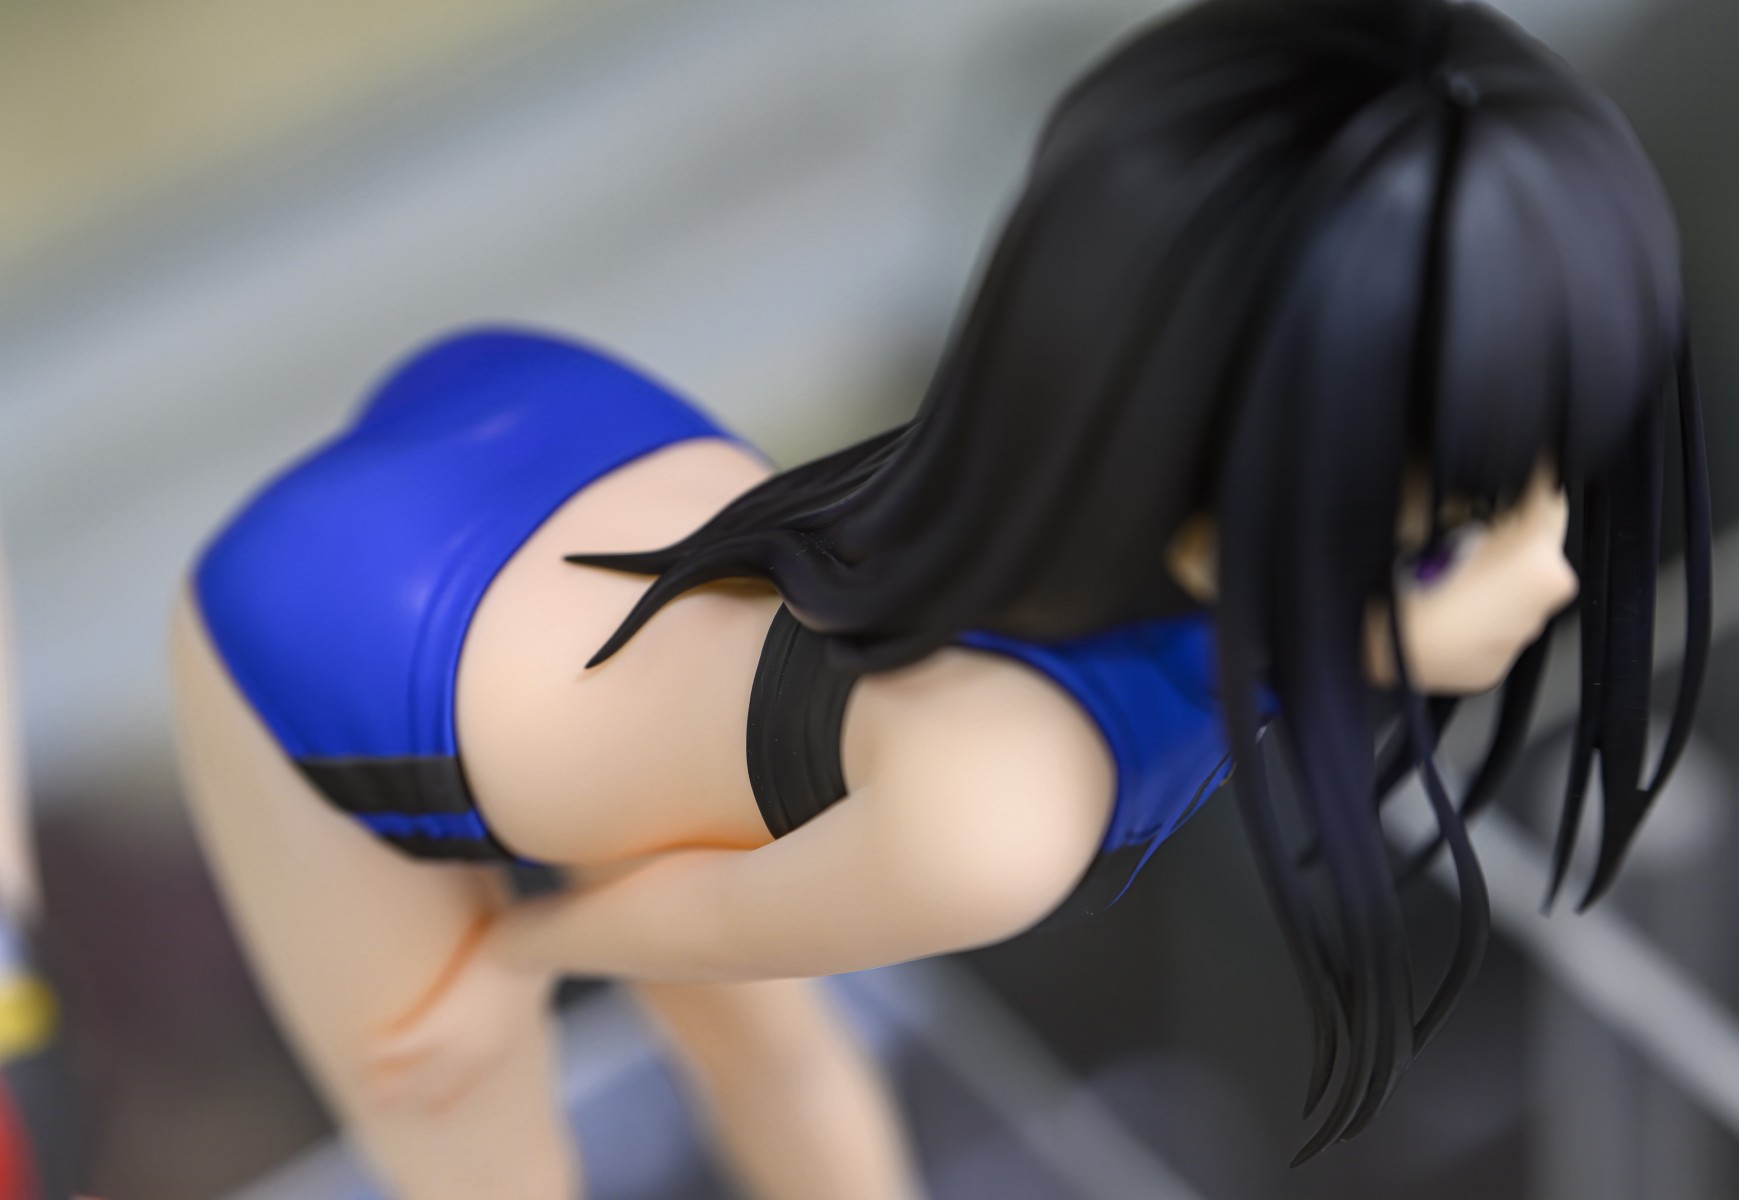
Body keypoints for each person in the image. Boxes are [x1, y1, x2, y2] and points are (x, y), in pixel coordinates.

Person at [169, 0, 1711, 1194]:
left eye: (1558, 492)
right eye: (1447, 544)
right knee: (471, 1098)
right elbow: (691, 916)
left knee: (769, 1027)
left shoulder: (1096, 525)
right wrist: (507, 964)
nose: (1559, 573)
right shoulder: (1002, 811)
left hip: (574, 448)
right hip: (358, 641)